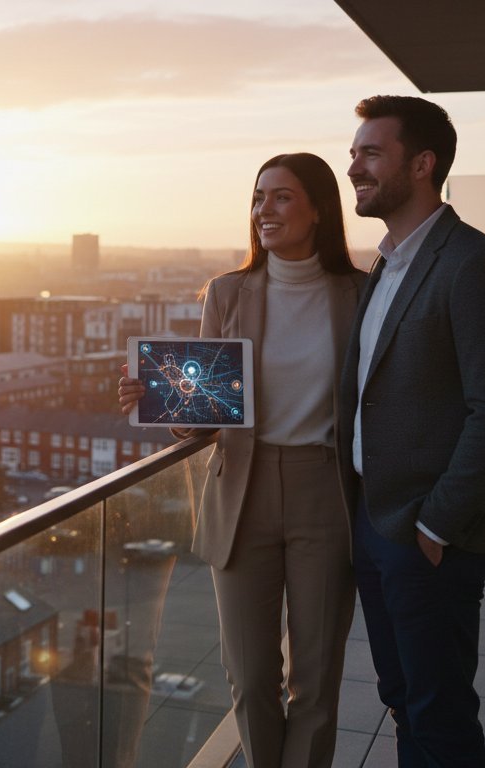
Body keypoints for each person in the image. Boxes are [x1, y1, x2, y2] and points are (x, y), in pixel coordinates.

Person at [118, 152, 365, 768]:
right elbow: (201, 417)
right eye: (259, 198)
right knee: (251, 677)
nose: (265, 210)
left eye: (282, 197)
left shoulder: (360, 293)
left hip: (326, 493)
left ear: (318, 209)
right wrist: (159, 397)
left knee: (315, 679)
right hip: (242, 494)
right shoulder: (228, 293)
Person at [339, 95, 485, 767]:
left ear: (423, 165)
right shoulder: (387, 262)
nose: (353, 165)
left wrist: (435, 526)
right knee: (402, 698)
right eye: (354, 151)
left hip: (429, 536)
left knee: (439, 711)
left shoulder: (475, 265)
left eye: (370, 153)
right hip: (375, 518)